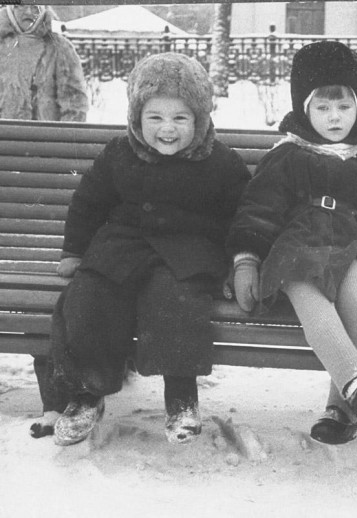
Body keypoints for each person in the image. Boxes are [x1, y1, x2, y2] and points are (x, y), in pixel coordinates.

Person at [226, 41, 357, 445]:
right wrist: (246, 260)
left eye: (344, 107)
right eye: (322, 108)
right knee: (308, 289)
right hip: (296, 254)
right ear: (304, 109)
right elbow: (257, 212)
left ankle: (342, 409)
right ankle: (354, 378)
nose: (334, 117)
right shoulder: (286, 158)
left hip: (354, 251)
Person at [47, 52, 251, 446]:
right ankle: (89, 392)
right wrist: (74, 251)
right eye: (155, 117)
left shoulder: (220, 162)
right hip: (123, 246)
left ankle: (181, 396)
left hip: (187, 253)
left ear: (200, 120)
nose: (167, 129)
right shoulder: (120, 154)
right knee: (90, 298)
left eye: (180, 118)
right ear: (137, 119)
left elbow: (239, 217)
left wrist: (235, 265)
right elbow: (88, 202)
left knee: (176, 302)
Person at [1, 4, 90, 438]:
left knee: (43, 277)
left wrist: (60, 157)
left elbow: (74, 107)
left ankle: (55, 395)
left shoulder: (60, 48)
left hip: (46, 176)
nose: (25, 11)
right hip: (4, 176)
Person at [0, 5, 88, 121]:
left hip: (45, 136)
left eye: (35, 7)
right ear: (11, 9)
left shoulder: (60, 48)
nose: (28, 12)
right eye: (21, 6)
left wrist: (61, 137)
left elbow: (74, 105)